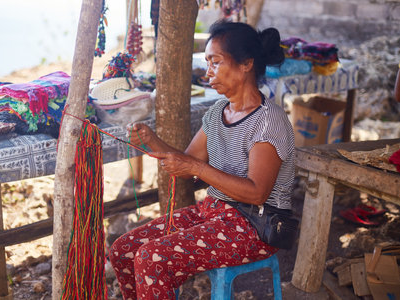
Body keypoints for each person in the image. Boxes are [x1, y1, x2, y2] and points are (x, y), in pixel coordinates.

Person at [108, 20, 295, 300]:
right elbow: (188, 163)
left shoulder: (269, 121)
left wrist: (196, 168)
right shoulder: (218, 111)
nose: (208, 72)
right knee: (123, 250)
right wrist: (150, 139)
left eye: (216, 62)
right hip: (213, 212)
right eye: (207, 63)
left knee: (152, 258)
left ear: (246, 64)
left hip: (254, 227)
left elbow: (257, 193)